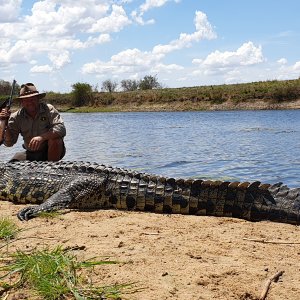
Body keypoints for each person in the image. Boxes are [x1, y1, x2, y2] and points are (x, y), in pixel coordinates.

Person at [0, 82, 66, 162]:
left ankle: (51, 169)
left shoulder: (49, 109)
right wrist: (5, 124)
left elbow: (61, 129)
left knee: (55, 140)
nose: (30, 102)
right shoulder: (15, 117)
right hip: (30, 153)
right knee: (12, 164)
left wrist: (42, 137)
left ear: (38, 99)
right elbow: (9, 143)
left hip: (51, 150)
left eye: (32, 99)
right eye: (26, 100)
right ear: (22, 102)